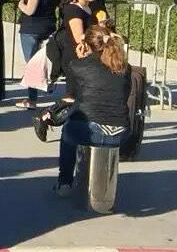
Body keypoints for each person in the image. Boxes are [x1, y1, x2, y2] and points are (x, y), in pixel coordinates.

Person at [37, 25, 131, 197]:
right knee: (88, 124)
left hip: (92, 130)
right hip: (121, 131)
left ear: (86, 45)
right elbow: (124, 95)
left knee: (69, 129)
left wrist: (81, 58)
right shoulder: (124, 67)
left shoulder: (78, 65)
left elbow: (73, 97)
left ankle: (64, 182)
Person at [16, 0, 63, 109]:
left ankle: (32, 99)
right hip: (49, 25)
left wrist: (20, 4)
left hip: (31, 28)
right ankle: (49, 84)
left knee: (32, 64)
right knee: (46, 60)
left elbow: (29, 10)